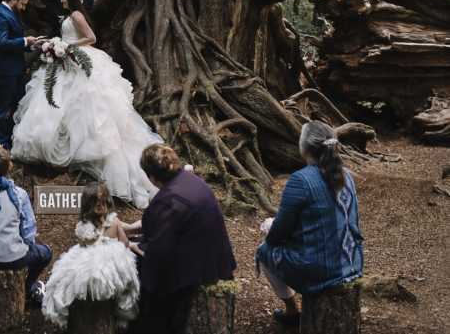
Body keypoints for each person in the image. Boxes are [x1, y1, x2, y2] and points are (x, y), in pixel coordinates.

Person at [11, 0, 162, 207]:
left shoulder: (76, 14)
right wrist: (57, 44)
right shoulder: (69, 14)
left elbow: (91, 38)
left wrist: (67, 45)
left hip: (79, 60)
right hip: (67, 61)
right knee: (60, 102)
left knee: (86, 105)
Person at [256, 121, 363, 327]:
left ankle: (291, 310)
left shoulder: (301, 180)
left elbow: (278, 235)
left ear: (304, 147)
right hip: (353, 263)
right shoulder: (347, 176)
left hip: (322, 273)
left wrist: (270, 226)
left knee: (264, 250)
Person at [131, 144, 237, 334]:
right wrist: (129, 228)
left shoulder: (167, 201)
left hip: (197, 268)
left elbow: (157, 253)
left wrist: (129, 244)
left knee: (141, 270)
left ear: (152, 177)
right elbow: (169, 222)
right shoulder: (189, 180)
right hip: (212, 254)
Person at [42, 182, 140, 329]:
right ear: (88, 206)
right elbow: (85, 243)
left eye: (102, 203)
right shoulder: (86, 225)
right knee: (73, 277)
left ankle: (113, 309)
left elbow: (124, 242)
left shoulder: (113, 221)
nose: (100, 206)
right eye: (96, 203)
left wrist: (123, 244)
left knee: (117, 275)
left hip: (112, 260)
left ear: (107, 203)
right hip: (91, 260)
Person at [0, 143, 52, 305]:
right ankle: (28, 286)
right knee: (45, 252)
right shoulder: (19, 194)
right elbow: (28, 231)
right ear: (9, 168)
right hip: (14, 257)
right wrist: (25, 243)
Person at [0, 0, 42, 149]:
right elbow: (1, 43)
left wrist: (32, 45)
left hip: (16, 69)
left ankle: (11, 140)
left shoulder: (12, 13)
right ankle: (1, 144)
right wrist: (26, 41)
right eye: (22, 4)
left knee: (15, 104)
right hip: (5, 71)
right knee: (2, 107)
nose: (24, 8)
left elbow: (14, 40)